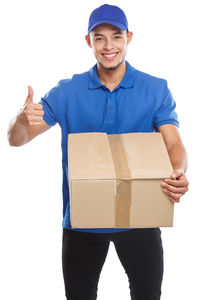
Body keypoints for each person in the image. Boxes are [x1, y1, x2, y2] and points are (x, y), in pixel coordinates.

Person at [8, 4, 189, 300]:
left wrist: (179, 171)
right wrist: (21, 119)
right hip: (82, 219)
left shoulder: (156, 89)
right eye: (99, 38)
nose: (108, 46)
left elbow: (174, 144)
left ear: (129, 37)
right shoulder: (67, 91)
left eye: (116, 36)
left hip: (140, 216)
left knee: (148, 295)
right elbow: (17, 140)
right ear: (88, 41)